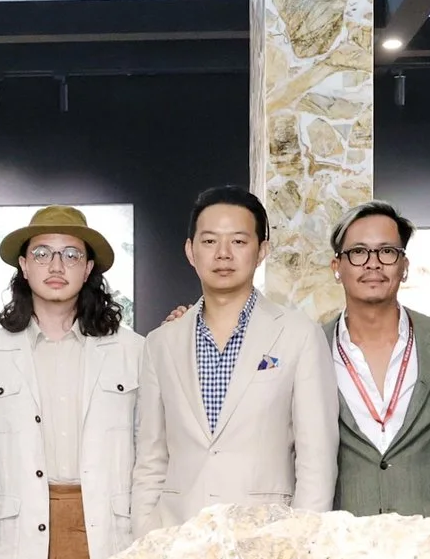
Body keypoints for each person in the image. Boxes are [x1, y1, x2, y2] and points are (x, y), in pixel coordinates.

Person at [0, 206, 146, 559]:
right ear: (24, 266)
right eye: (43, 253)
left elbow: (148, 447)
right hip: (16, 534)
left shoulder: (133, 351)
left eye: (71, 254)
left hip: (103, 531)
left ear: (89, 268)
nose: (56, 265)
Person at [131, 185, 334, 529]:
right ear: (190, 251)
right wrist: (145, 538)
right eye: (209, 241)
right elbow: (151, 459)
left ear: (261, 251)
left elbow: (317, 457)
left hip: (267, 536)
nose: (223, 254)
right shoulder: (160, 343)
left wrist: (301, 543)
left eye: (239, 241)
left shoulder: (299, 335)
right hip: (177, 538)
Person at [326, 201, 430, 517]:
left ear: (404, 266)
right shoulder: (310, 346)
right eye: (358, 252)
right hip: (343, 546)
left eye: (387, 252)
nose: (373, 264)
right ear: (336, 267)